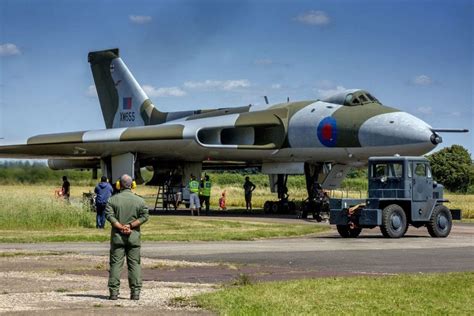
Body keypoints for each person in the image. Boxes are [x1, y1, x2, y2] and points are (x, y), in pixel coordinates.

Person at [105, 174, 149, 301]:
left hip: (117, 238)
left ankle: (113, 293)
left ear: (119, 184)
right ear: (132, 185)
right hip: (133, 237)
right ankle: (135, 293)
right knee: (134, 264)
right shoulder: (140, 201)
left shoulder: (112, 200)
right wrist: (130, 226)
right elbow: (145, 216)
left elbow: (109, 215)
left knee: (115, 265)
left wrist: (120, 227)